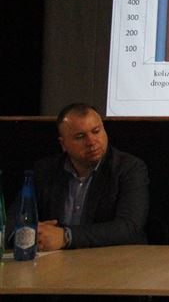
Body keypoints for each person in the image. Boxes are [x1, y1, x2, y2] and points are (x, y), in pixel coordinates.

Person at [8, 103, 149, 250]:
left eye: (96, 131)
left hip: (113, 259)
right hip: (55, 259)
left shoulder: (129, 168)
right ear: (63, 144)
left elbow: (129, 228)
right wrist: (33, 231)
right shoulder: (45, 170)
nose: (91, 142)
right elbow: (11, 221)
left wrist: (66, 237)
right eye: (80, 136)